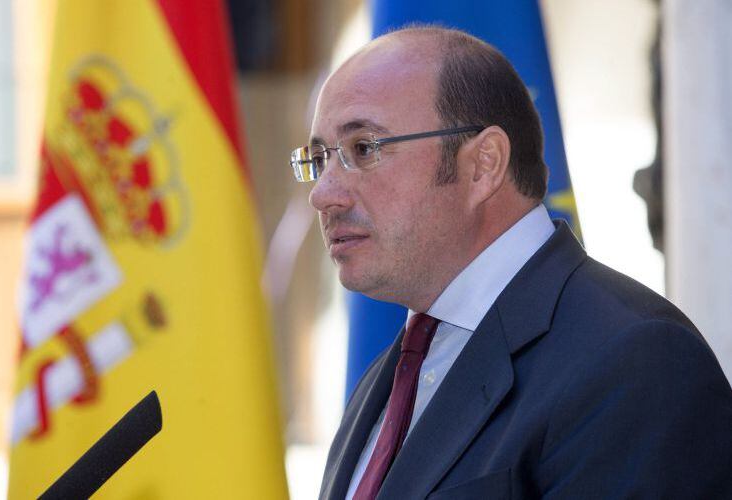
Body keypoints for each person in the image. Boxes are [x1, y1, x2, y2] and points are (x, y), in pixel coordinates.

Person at [289, 26, 732, 499]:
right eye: (318, 159)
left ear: (483, 164)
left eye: (363, 148)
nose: (322, 194)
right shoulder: (389, 376)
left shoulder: (636, 361)